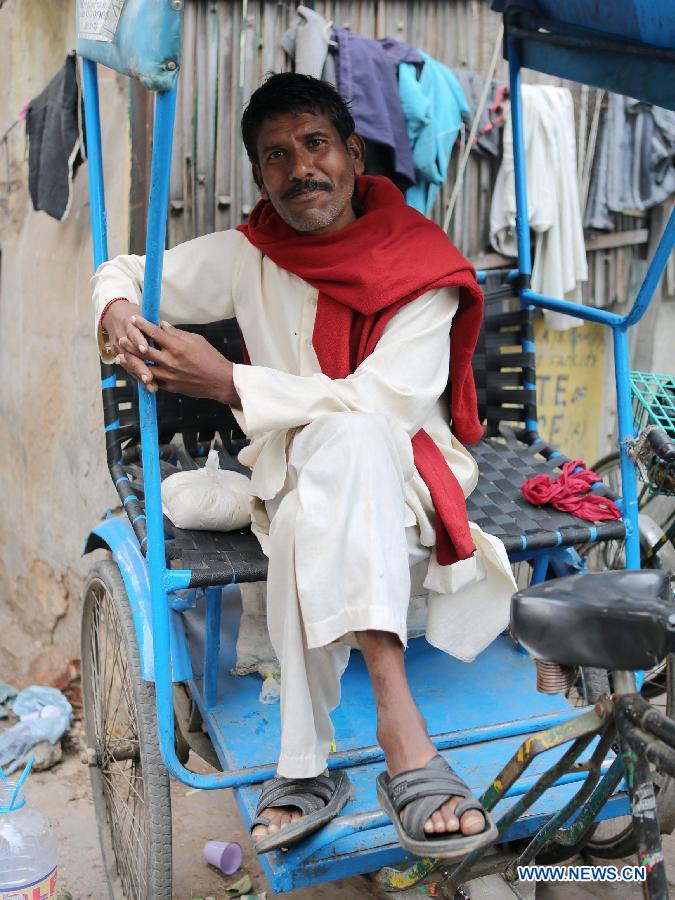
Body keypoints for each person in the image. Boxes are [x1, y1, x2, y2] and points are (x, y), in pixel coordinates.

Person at [91, 72, 516, 860]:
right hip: (296, 479)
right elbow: (121, 272)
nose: (299, 169)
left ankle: (309, 765)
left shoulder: (421, 264)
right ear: (260, 178)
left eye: (314, 144)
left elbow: (381, 407)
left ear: (352, 154)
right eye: (276, 157)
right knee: (314, 483)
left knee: (342, 452)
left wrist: (227, 382)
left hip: (410, 482)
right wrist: (119, 312)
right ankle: (407, 747)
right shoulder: (252, 254)